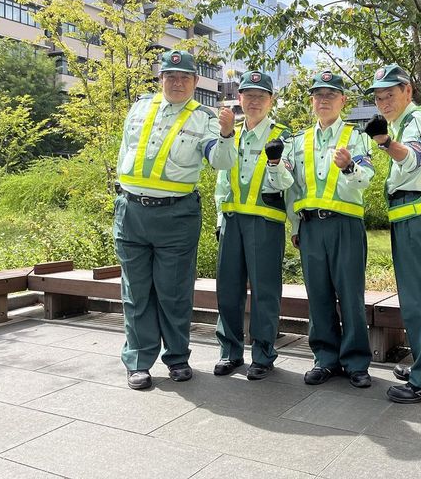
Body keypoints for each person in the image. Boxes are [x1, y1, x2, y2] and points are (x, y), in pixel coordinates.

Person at [114, 49, 236, 390]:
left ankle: (177, 358)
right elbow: (126, 151)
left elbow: (222, 163)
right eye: (170, 76)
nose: (177, 82)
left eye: (184, 77)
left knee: (174, 291)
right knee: (135, 292)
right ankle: (138, 361)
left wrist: (227, 135)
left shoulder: (206, 118)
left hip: (176, 215)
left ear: (196, 82)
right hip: (131, 211)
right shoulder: (139, 108)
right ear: (161, 79)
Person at [363, 64, 421, 403]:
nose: (384, 102)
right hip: (412, 219)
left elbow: (412, 158)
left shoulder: (417, 121)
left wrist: (384, 141)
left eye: (390, 94)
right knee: (419, 299)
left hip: (418, 218)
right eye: (379, 97)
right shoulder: (407, 123)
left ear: (408, 91)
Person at [287, 70, 374, 389]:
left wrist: (349, 166)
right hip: (310, 227)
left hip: (345, 225)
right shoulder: (298, 140)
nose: (323, 100)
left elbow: (367, 178)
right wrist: (295, 226)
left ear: (343, 100)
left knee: (350, 294)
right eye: (318, 95)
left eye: (330, 95)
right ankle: (324, 358)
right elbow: (293, 188)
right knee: (318, 295)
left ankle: (355, 362)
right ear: (312, 101)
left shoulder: (357, 136)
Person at [214, 70, 293, 380]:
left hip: (265, 221)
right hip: (232, 221)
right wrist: (220, 218)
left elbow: (288, 181)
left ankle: (263, 354)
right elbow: (222, 177)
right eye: (249, 96)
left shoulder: (283, 135)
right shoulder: (230, 132)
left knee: (265, 292)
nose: (255, 101)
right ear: (240, 99)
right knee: (228, 290)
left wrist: (274, 164)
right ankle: (229, 352)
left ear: (271, 100)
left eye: (261, 96)